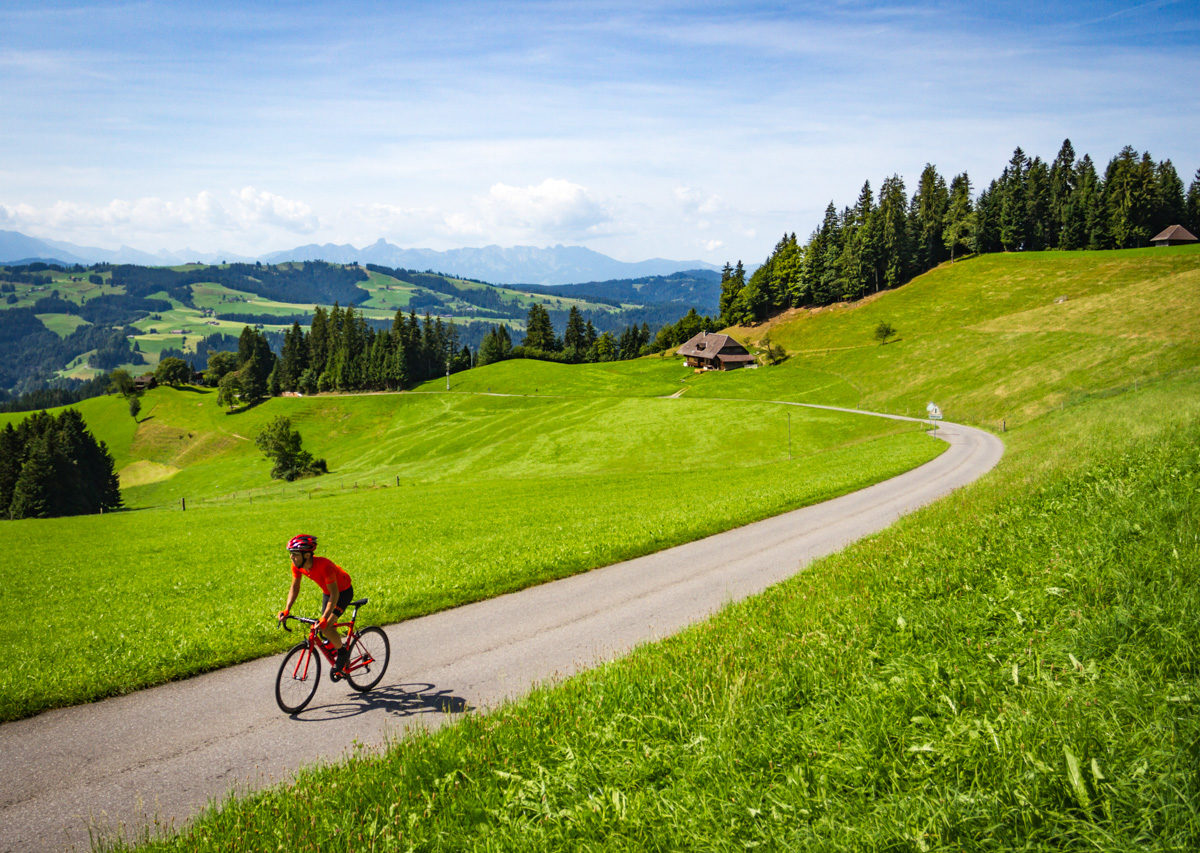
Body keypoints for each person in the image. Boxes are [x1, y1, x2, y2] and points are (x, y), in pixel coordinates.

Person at [277, 534, 353, 674]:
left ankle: (342, 653)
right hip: (328, 592)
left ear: (306, 555)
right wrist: (287, 609)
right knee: (323, 629)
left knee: (326, 626)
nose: (291, 557)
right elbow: (295, 587)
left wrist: (325, 618)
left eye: (294, 554)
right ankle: (335, 647)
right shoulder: (298, 566)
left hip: (342, 593)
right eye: (290, 554)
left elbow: (335, 594)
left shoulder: (325, 566)